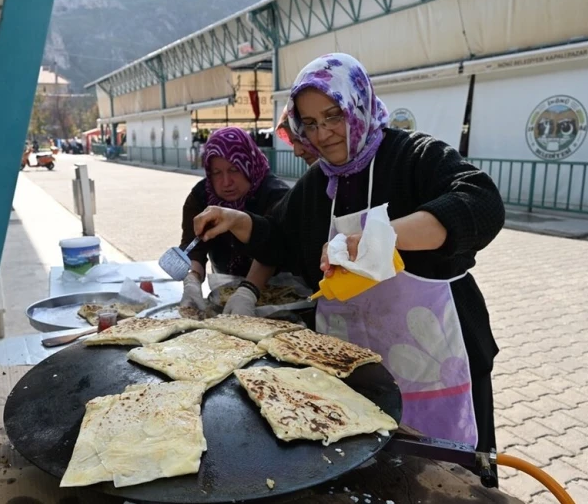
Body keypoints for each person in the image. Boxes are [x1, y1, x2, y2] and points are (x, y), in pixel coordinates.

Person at [192, 54, 505, 456]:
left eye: (333, 116)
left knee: (453, 476)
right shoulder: (320, 181)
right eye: (310, 123)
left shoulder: (412, 155)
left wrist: (383, 236)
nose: (322, 135)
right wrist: (237, 220)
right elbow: (280, 242)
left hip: (439, 361)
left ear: (358, 104)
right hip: (358, 363)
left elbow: (480, 201)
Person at [179, 127, 290, 316]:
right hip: (225, 292)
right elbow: (193, 247)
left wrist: (248, 292)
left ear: (249, 164)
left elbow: (272, 249)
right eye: (216, 172)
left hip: (279, 295)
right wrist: (192, 279)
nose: (226, 182)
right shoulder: (201, 196)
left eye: (234, 169)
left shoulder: (275, 195)